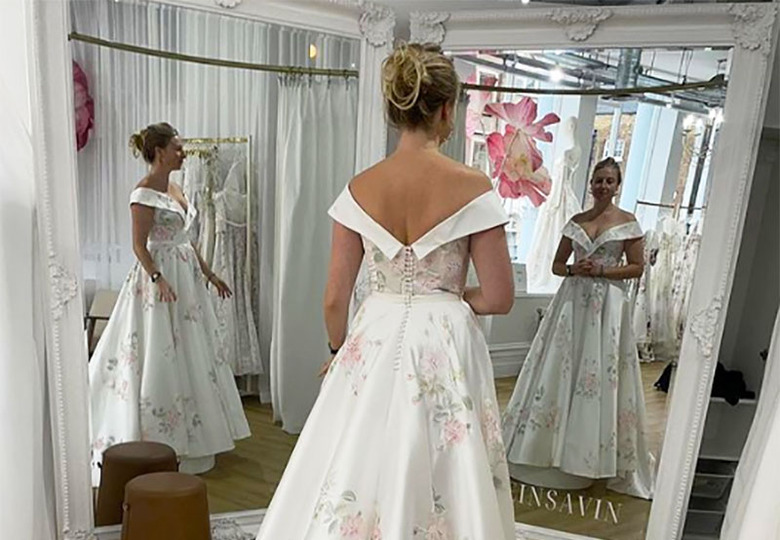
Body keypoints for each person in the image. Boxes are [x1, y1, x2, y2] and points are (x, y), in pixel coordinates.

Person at [257, 43, 516, 540]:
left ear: (393, 111)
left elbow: (334, 297)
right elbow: (500, 296)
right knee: (446, 462)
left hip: (373, 334)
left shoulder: (359, 188)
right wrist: (450, 298)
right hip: (445, 339)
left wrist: (339, 349)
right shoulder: (474, 186)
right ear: (447, 109)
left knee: (358, 453)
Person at [89, 122, 250, 485]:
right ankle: (158, 439)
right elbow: (139, 246)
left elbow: (186, 240)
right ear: (159, 151)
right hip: (159, 281)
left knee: (193, 351)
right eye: (177, 147)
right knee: (161, 351)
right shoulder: (143, 193)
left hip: (187, 278)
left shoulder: (176, 189)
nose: (183, 152)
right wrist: (158, 279)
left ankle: (195, 439)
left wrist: (209, 274)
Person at [501, 157, 655, 499]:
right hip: (572, 302)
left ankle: (590, 455)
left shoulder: (628, 223)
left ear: (617, 186)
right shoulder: (576, 221)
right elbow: (556, 265)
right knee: (560, 367)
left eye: (609, 181)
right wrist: (574, 269)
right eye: (598, 180)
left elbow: (636, 268)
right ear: (591, 183)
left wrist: (601, 271)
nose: (602, 186)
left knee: (597, 371)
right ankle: (545, 447)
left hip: (608, 308)